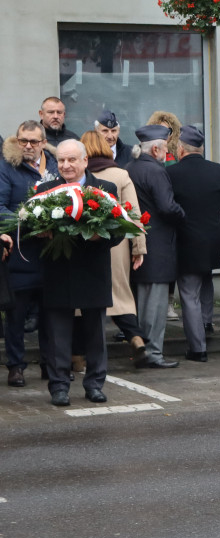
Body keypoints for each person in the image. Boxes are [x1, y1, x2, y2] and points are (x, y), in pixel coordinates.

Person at [37, 141, 125, 406]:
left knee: (95, 334)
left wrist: (101, 236)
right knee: (58, 335)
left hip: (92, 272)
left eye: (72, 160)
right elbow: (30, 232)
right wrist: (41, 234)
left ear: (85, 161)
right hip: (57, 272)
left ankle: (95, 384)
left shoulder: (104, 190)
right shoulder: (44, 191)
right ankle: (59, 387)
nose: (66, 166)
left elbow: (119, 229)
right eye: (61, 160)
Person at [80, 130, 148, 365]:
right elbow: (134, 213)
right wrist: (138, 248)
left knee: (82, 300)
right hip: (116, 247)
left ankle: (78, 355)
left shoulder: (79, 176)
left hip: (86, 245)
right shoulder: (120, 174)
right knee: (119, 293)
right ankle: (136, 337)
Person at [1, 121, 59, 387]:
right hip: (19, 254)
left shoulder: (57, 167)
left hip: (51, 255)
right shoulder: (6, 167)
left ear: (43, 141)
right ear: (16, 140)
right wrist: (32, 226)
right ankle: (16, 366)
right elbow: (0, 208)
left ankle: (50, 365)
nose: (28, 146)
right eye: (23, 140)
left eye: (34, 142)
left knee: (51, 315)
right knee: (16, 315)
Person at [166, 125, 220, 363]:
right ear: (201, 149)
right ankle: (206, 323)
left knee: (189, 292)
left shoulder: (172, 174)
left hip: (187, 239)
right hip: (214, 236)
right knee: (206, 278)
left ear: (180, 150)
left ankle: (198, 347)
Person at [127, 124, 185, 369]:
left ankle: (144, 349)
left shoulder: (131, 168)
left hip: (137, 243)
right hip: (158, 245)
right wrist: (183, 213)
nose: (166, 152)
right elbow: (168, 206)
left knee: (141, 301)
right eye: (164, 148)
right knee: (155, 303)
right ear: (156, 149)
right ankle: (153, 353)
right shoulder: (156, 171)